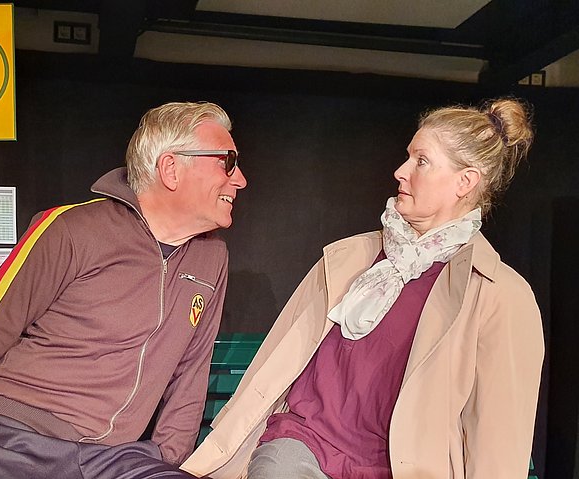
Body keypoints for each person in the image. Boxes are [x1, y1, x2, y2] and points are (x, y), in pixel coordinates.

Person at [182, 98, 544, 479]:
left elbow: (498, 449)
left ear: (464, 182)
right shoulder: (349, 260)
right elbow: (273, 370)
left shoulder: (500, 296)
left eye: (421, 161)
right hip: (304, 445)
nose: (400, 171)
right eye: (408, 157)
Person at [0, 101, 247, 479]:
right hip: (12, 442)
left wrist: (165, 460)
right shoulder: (71, 229)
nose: (241, 180)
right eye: (227, 162)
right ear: (170, 168)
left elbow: (190, 376)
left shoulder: (211, 258)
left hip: (110, 458)